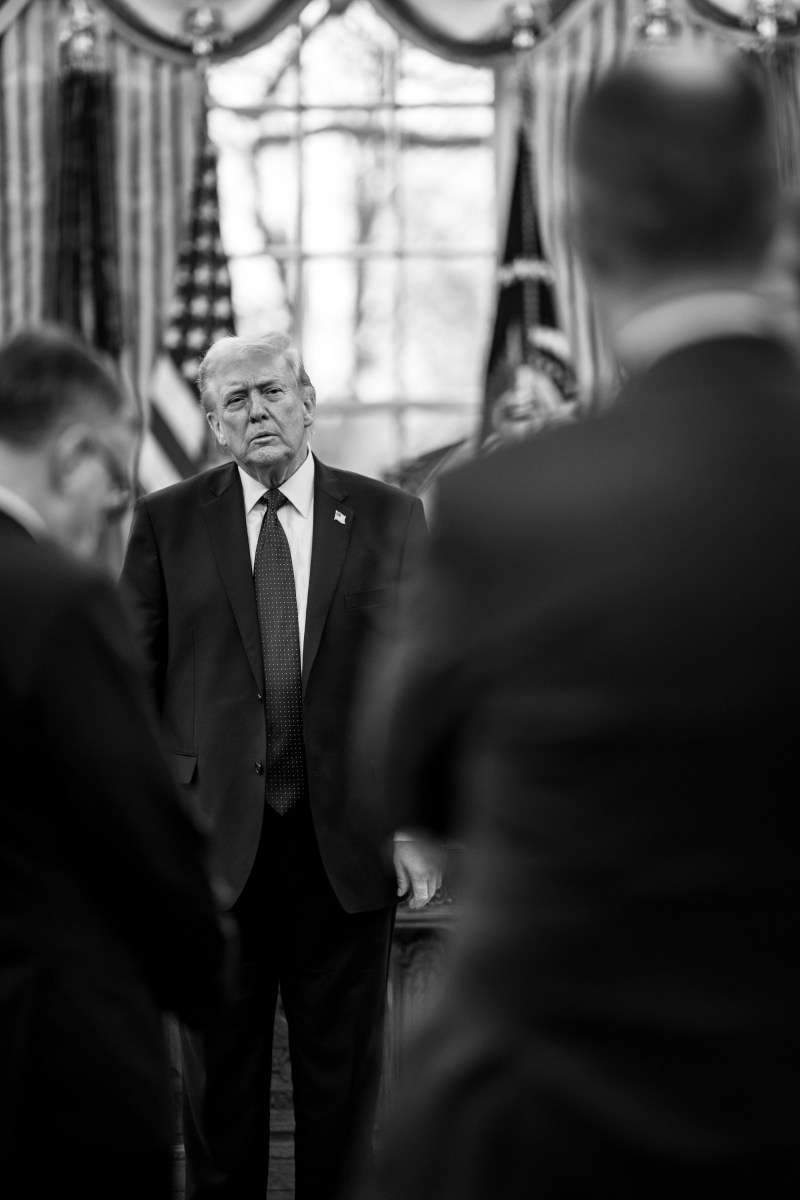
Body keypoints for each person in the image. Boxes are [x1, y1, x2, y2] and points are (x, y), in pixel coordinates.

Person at [355, 45, 800, 1199]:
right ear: (774, 215)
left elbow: (405, 771)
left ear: (584, 236)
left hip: (561, 1124)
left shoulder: (508, 504)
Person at [119, 331, 441, 1200]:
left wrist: (414, 815)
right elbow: (132, 691)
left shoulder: (388, 516)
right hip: (212, 854)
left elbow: (420, 680)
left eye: (270, 391)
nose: (256, 411)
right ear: (213, 424)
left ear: (308, 400)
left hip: (348, 851)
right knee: (218, 1103)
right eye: (235, 400)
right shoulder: (165, 521)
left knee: (343, 1101)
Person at [0, 323, 229, 1200]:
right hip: (50, 1073)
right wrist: (206, 981)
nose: (113, 521)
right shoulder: (55, 601)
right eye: (115, 491)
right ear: (73, 456)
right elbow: (143, 836)